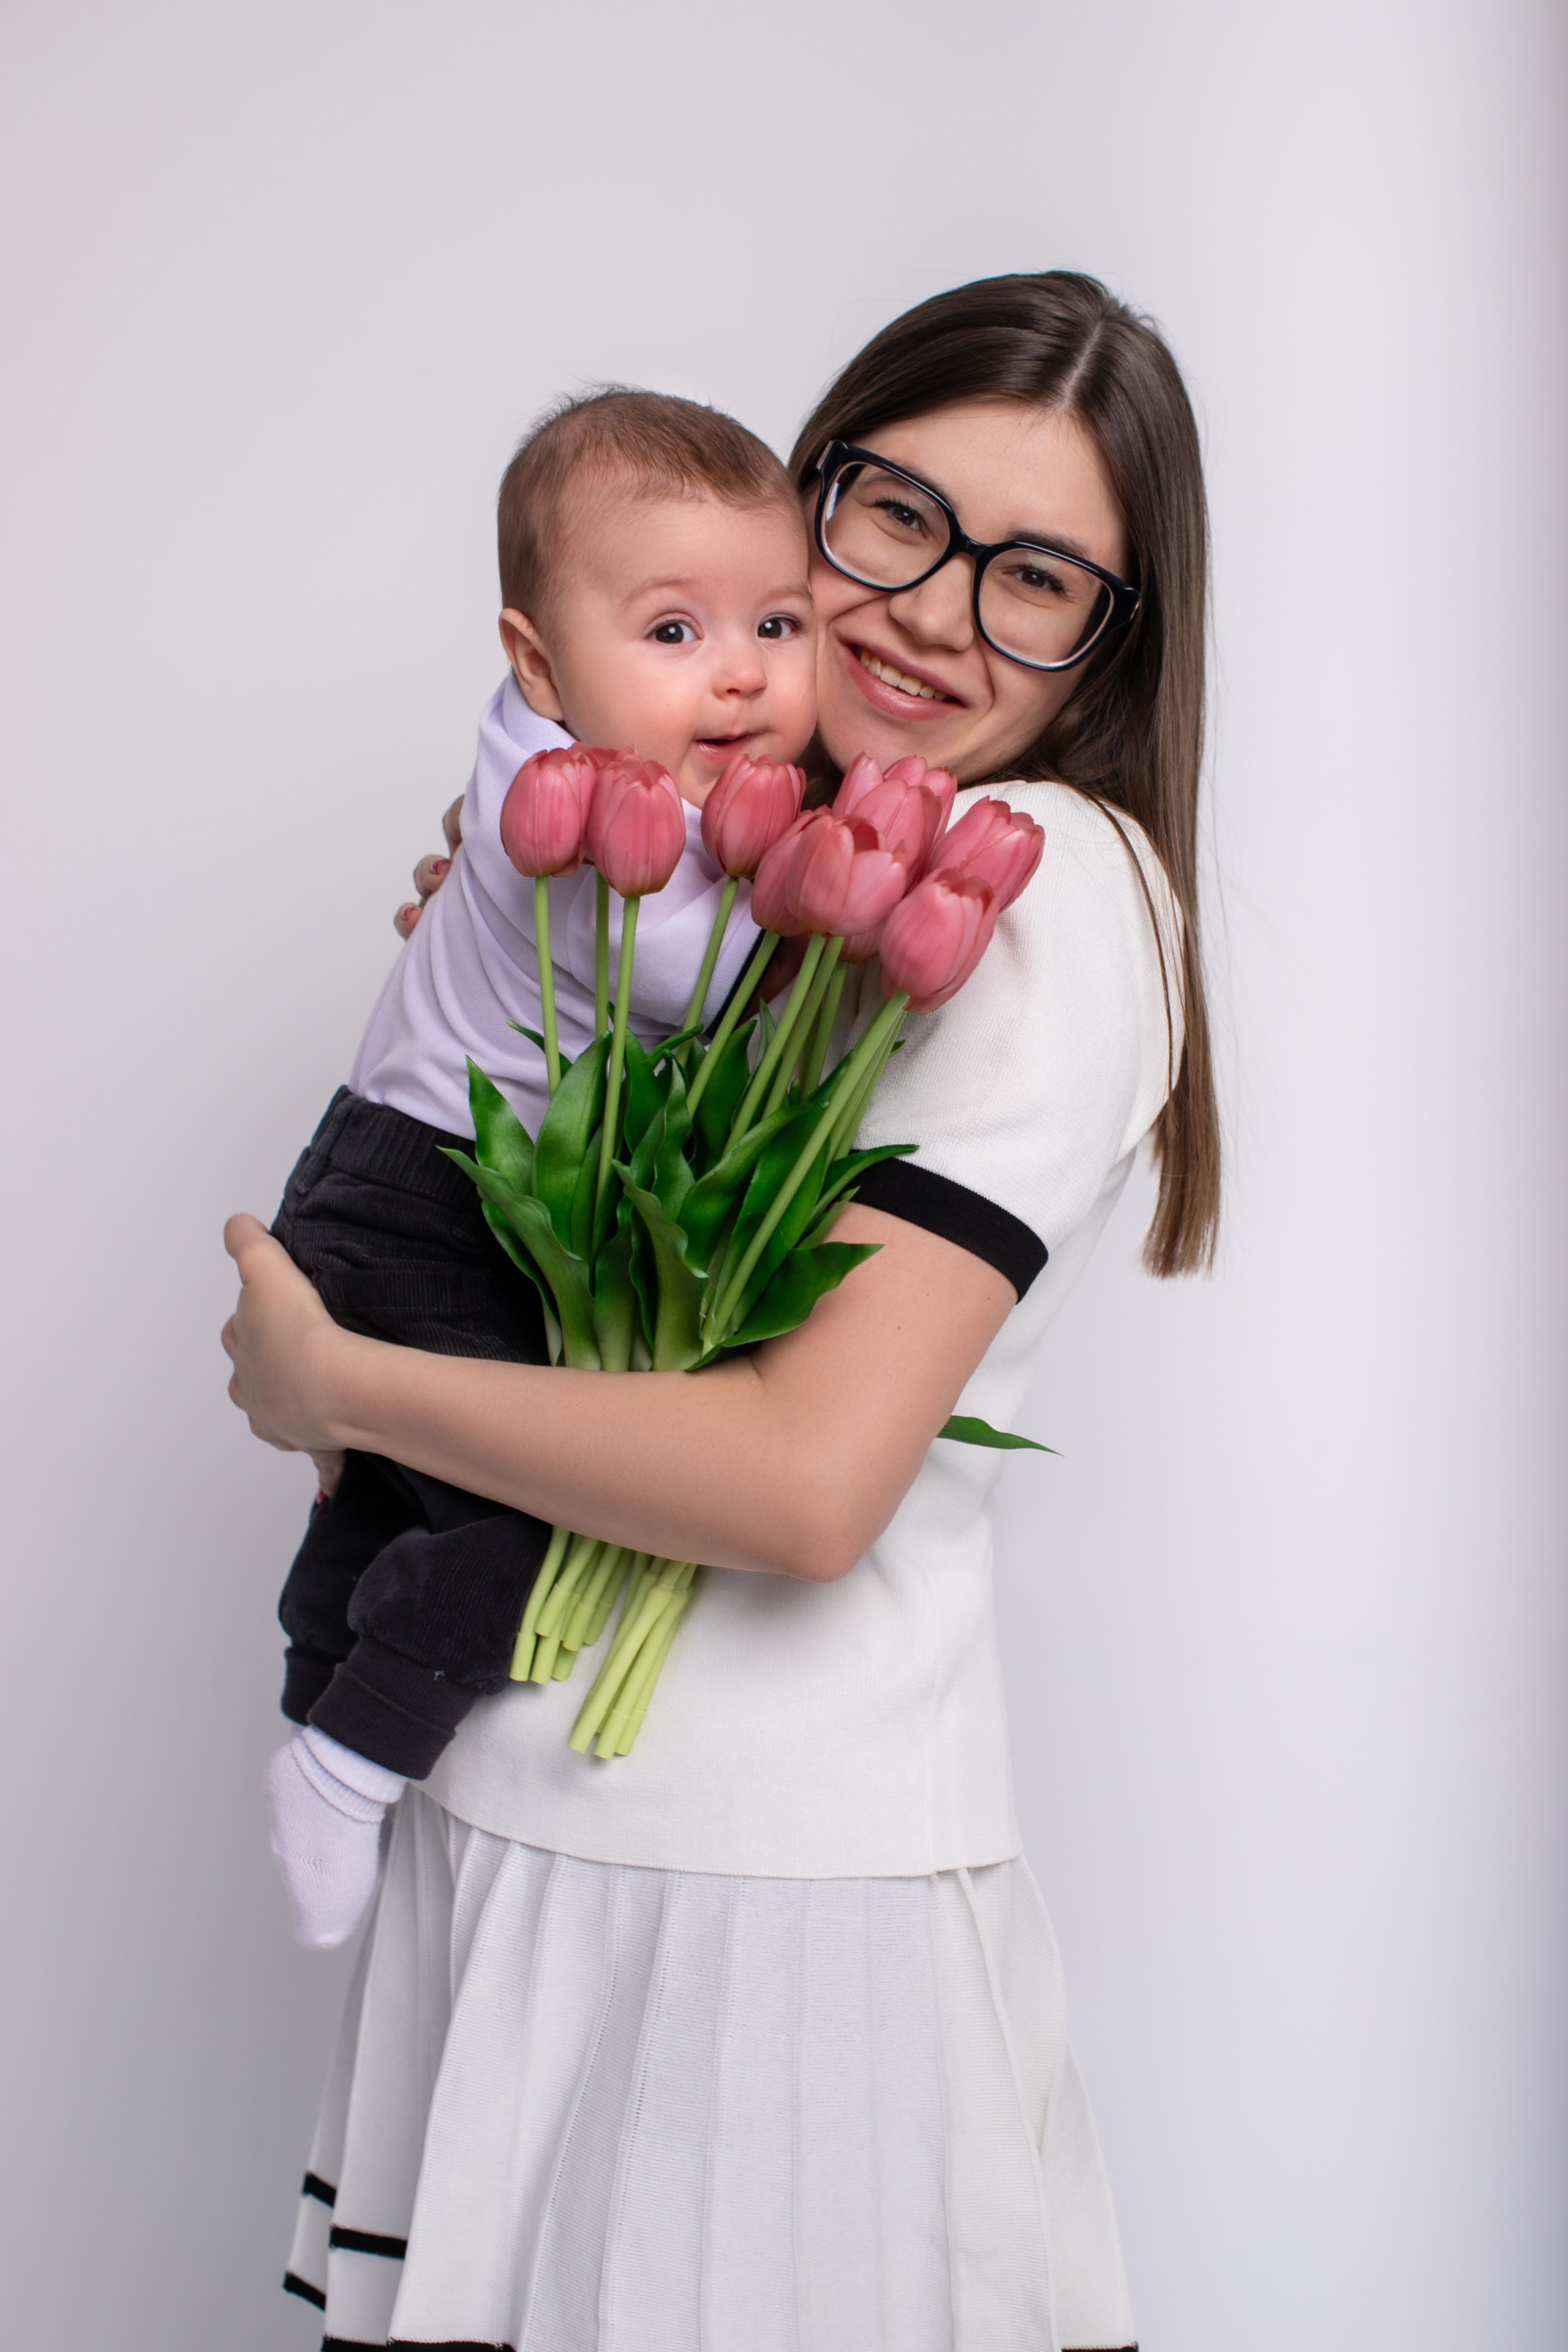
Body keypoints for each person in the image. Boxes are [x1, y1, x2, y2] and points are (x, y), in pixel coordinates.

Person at [224, 270, 1219, 2352]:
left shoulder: (1032, 875)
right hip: (541, 1850)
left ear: (1114, 644)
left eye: (1036, 578)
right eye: (895, 518)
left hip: (755, 1925)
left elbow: (798, 1480)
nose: (933, 616)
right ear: (809, 488)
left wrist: (341, 1374)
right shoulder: (732, 875)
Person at [267, 388, 816, 1948]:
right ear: (535, 663)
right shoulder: (559, 833)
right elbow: (717, 985)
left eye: (779, 622)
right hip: (439, 1192)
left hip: (400, 1171)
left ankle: (317, 1710)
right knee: (534, 1521)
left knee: (387, 1501)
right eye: (671, 633)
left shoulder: (554, 750)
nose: (738, 673)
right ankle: (355, 1757)